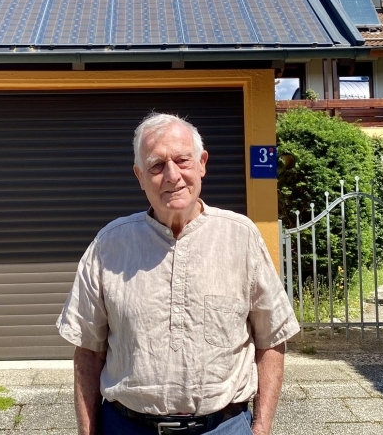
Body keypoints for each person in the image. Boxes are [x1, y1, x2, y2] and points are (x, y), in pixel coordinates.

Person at [57, 112, 300, 435]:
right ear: (139, 176)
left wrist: (262, 426)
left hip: (224, 428)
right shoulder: (110, 246)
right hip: (127, 426)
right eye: (156, 166)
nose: (172, 175)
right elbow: (88, 350)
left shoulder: (241, 237)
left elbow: (272, 339)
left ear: (202, 163)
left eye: (182, 161)